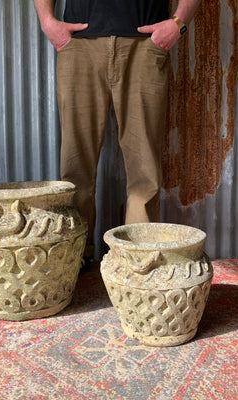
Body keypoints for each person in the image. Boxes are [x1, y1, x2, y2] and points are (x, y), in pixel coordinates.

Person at [34, 0, 201, 261]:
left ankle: (138, 263)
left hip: (144, 44)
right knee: (75, 167)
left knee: (144, 171)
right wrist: (47, 21)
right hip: (79, 44)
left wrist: (178, 23)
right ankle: (73, 262)